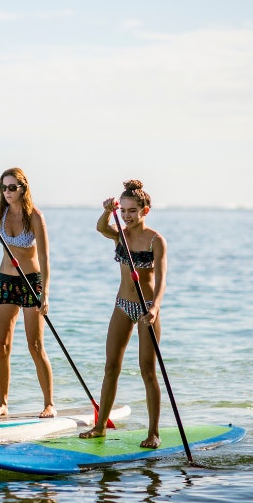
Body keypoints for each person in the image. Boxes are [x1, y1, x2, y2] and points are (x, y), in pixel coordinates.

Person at [80, 179, 167, 448]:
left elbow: (162, 279)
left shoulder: (155, 240)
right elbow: (100, 227)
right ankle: (99, 427)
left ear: (145, 211)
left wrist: (154, 308)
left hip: (146, 308)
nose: (127, 216)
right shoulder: (120, 233)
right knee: (110, 367)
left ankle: (153, 433)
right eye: (124, 211)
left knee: (147, 371)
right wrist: (108, 210)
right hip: (122, 305)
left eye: (132, 211)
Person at [0, 167, 55, 419]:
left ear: (23, 188)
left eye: (11, 187)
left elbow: (44, 256)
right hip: (6, 282)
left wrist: (46, 293)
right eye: (3, 187)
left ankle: (49, 403)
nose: (7, 192)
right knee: (2, 345)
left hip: (32, 282)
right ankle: (3, 403)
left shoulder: (35, 217)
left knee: (35, 344)